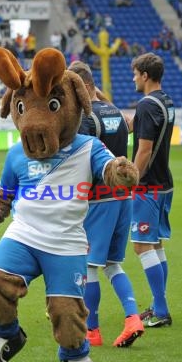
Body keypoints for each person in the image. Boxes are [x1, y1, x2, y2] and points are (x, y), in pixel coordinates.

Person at [69, 61, 144, 347]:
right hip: (123, 197)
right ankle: (132, 318)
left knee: (89, 266)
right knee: (113, 264)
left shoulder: (87, 119)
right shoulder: (116, 112)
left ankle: (93, 330)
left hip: (99, 198)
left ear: (82, 87)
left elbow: (83, 158)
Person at [130, 52, 175, 328]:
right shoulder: (165, 101)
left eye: (135, 73)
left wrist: (131, 181)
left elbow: (144, 149)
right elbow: (132, 125)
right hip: (164, 183)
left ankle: (161, 309)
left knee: (141, 245)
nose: (133, 78)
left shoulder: (147, 105)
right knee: (156, 244)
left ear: (145, 75)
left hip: (147, 186)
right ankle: (159, 303)